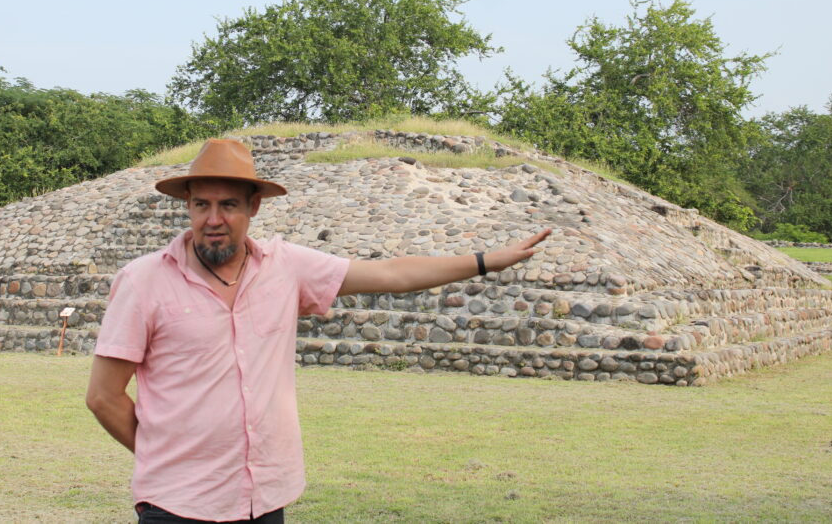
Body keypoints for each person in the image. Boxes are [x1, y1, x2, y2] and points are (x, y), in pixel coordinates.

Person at [86, 138, 550, 523]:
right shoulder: (143, 280)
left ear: (255, 207)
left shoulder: (287, 267)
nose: (213, 219)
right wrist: (167, 458)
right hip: (176, 505)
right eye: (201, 204)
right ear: (186, 206)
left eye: (228, 204)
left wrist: (486, 262)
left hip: (263, 499)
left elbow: (391, 274)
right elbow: (104, 396)